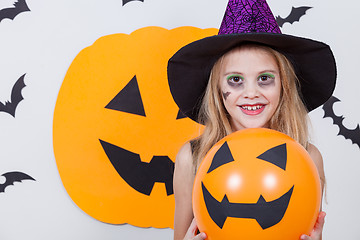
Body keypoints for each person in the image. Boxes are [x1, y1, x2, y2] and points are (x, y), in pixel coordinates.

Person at [167, 0, 336, 240]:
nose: (251, 93)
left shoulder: (307, 157)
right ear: (217, 89)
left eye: (265, 78)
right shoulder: (192, 157)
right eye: (235, 80)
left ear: (284, 86)